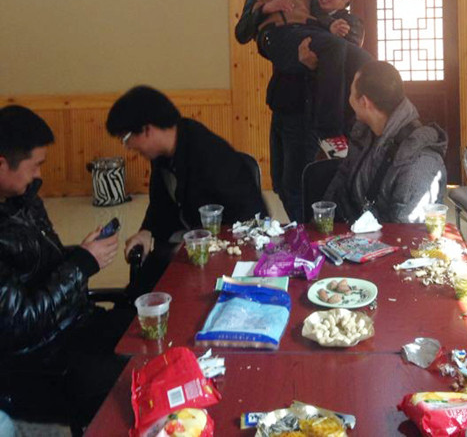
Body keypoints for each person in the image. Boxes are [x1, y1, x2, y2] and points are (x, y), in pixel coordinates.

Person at [0, 105, 131, 429]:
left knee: (151, 335)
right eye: (35, 166)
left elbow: (42, 262)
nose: (39, 175)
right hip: (39, 364)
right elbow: (20, 323)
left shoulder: (22, 199)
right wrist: (81, 265)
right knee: (136, 383)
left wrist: (81, 253)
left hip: (74, 324)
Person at [106, 86, 267, 290]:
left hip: (228, 255)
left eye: (126, 138)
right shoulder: (162, 154)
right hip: (191, 246)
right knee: (140, 292)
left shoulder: (209, 155)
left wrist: (194, 247)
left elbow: (252, 220)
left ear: (147, 129)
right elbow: (160, 205)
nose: (128, 147)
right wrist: (146, 231)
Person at [237, 0, 370, 144]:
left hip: (311, 105)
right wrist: (266, 8)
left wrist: (329, 29)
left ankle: (347, 127)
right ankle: (333, 131)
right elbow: (241, 33)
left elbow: (339, 53)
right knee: (282, 160)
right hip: (284, 99)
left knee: (361, 58)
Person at [325, 61, 448, 224]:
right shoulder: (364, 132)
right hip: (352, 228)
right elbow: (342, 179)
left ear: (364, 102)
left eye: (351, 92)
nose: (349, 98)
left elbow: (406, 231)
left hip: (385, 237)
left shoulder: (420, 162)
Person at [299, 0, 372, 137]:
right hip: (304, 105)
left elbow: (339, 60)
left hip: (339, 111)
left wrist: (314, 63)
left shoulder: (351, 23)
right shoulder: (308, 17)